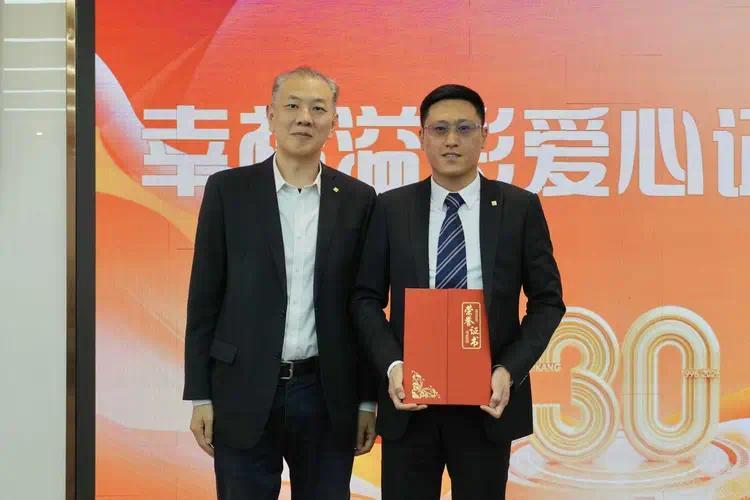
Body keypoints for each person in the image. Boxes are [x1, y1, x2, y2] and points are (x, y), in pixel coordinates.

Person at [351, 84, 565, 499]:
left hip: (486, 402)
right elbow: (364, 299)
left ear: (484, 136)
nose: (451, 140)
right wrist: (393, 366)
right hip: (409, 403)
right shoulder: (391, 208)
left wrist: (509, 370)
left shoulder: (519, 208)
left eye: (464, 129)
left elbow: (547, 301)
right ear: (421, 137)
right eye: (440, 129)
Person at [183, 66, 377, 500]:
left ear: (334, 122)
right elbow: (204, 299)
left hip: (327, 393)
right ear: (270, 115)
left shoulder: (359, 200)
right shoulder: (228, 191)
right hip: (242, 389)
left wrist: (368, 400)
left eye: (318, 109)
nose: (304, 118)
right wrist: (200, 396)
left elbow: (364, 307)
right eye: (292, 106)